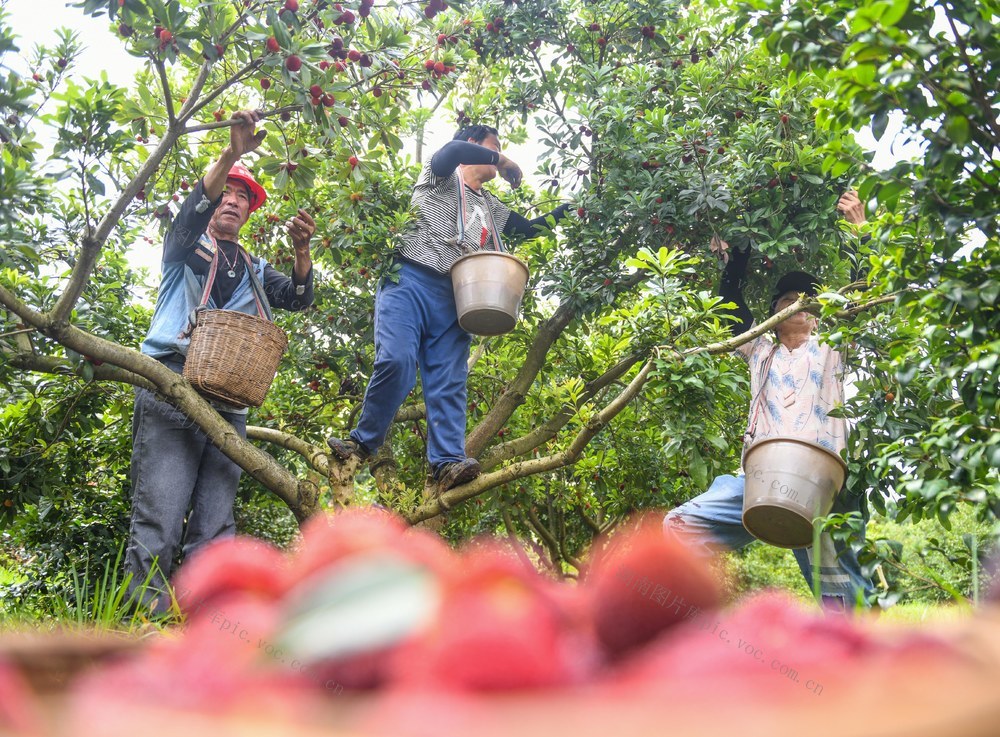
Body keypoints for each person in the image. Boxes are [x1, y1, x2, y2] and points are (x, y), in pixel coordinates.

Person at [126, 110, 316, 613]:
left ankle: (207, 631)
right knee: (160, 518)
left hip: (230, 402)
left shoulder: (254, 267)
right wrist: (232, 152)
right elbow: (190, 212)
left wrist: (302, 253)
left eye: (243, 198)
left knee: (215, 526)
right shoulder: (185, 247)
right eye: (227, 193)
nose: (232, 201)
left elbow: (297, 297)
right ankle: (142, 625)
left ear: (250, 213)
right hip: (173, 382)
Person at [327, 125, 569, 491]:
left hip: (457, 299)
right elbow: (451, 152)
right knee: (396, 360)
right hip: (410, 280)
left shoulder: (492, 208)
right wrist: (502, 160)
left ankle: (447, 464)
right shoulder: (438, 176)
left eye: (500, 150)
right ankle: (361, 444)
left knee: (449, 383)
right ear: (474, 145)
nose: (497, 155)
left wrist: (575, 209)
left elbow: (534, 229)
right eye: (493, 146)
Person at [664, 191, 874, 610]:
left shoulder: (834, 345)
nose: (795, 303)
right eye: (785, 299)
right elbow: (729, 305)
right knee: (680, 526)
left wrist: (859, 231)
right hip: (763, 477)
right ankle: (709, 613)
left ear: (818, 314)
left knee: (839, 590)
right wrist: (736, 254)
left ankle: (859, 663)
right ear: (774, 316)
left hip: (823, 477)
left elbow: (864, 297)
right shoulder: (760, 351)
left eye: (805, 299)